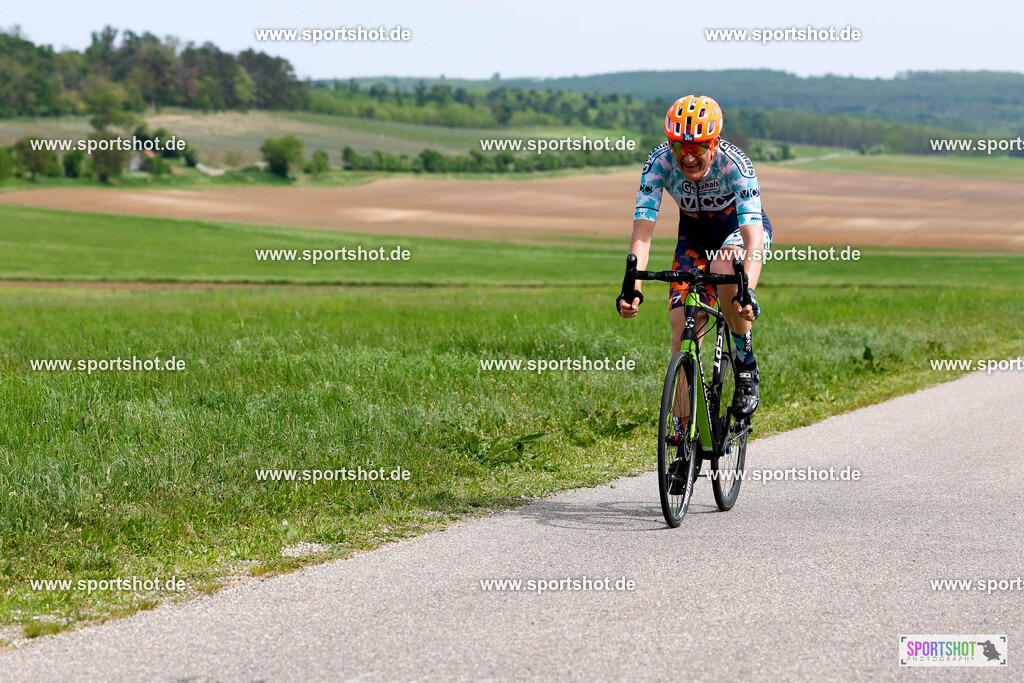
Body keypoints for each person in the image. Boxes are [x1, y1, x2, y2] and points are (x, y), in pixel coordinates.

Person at [617, 95, 771, 418]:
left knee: (725, 263)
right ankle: (683, 436)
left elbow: (753, 237)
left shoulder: (735, 165)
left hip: (736, 234)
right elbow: (642, 233)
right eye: (679, 147)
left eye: (697, 148)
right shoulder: (659, 162)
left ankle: (745, 366)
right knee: (681, 328)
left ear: (713, 144)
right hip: (693, 238)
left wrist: (748, 290)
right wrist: (633, 286)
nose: (687, 157)